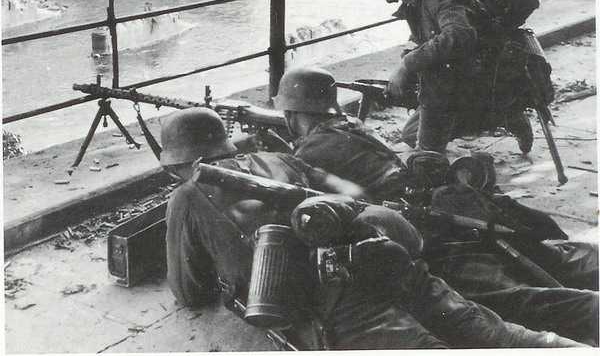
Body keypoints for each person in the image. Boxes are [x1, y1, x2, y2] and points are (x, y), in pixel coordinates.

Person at [161, 107, 583, 349]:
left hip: (335, 300)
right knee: (496, 334)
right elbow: (356, 193)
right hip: (384, 253)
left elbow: (190, 288)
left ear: (177, 162)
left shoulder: (185, 198)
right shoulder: (276, 158)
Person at [273, 65, 599, 346]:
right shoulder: (353, 128)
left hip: (435, 236)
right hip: (456, 211)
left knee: (516, 301)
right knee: (546, 261)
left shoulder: (310, 155)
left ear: (290, 115)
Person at [370, 0, 533, 154]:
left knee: (426, 154)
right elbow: (431, 41)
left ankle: (504, 114)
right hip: (465, 81)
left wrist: (407, 65)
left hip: (483, 83)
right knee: (409, 135)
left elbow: (460, 34)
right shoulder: (421, 0)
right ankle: (503, 115)